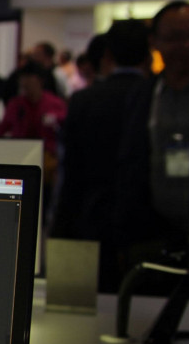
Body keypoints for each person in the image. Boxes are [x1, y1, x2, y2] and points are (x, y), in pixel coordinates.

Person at [50, 20, 150, 283]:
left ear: (107, 54)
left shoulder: (84, 100)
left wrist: (60, 226)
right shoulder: (154, 97)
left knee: (86, 297)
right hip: (145, 226)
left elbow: (71, 170)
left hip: (91, 217)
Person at [115, 0, 189, 254]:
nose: (187, 45)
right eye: (175, 37)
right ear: (154, 42)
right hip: (150, 231)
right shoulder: (141, 94)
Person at [0, 61, 67, 159]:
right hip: (19, 155)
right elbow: (1, 129)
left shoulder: (54, 103)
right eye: (22, 78)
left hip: (46, 157)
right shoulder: (15, 104)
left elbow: (66, 125)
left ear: (40, 80)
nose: (24, 82)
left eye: (28, 78)